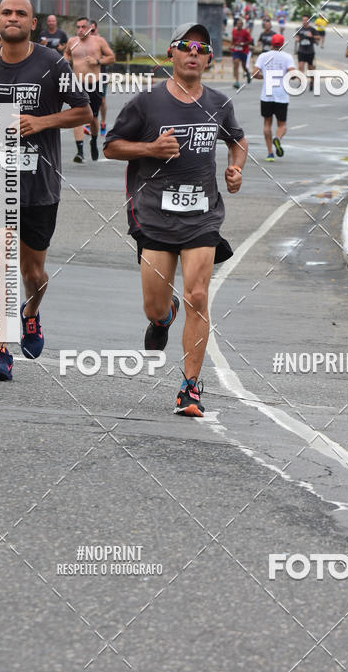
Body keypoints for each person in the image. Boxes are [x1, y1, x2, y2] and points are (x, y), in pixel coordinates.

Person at [103, 22, 247, 417]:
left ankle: (190, 388)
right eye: (185, 46)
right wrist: (151, 148)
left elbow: (237, 140)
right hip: (154, 215)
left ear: (209, 59)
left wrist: (236, 168)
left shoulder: (219, 103)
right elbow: (111, 147)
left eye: (201, 48)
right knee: (154, 306)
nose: (193, 53)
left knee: (198, 295)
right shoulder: (146, 103)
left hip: (202, 216)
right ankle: (164, 318)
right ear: (171, 54)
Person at [0, 0, 92, 380]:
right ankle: (1, 349)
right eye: (6, 12)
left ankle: (30, 312)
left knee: (34, 273)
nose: (12, 17)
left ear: (33, 23)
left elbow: (84, 111)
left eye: (21, 13)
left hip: (39, 183)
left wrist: (41, 122)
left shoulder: (52, 63)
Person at [64, 16, 116, 162]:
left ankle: (93, 141)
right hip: (77, 84)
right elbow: (67, 53)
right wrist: (66, 61)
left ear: (89, 28)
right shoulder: (72, 41)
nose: (80, 30)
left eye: (83, 27)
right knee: (77, 117)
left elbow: (112, 58)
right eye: (78, 27)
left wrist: (97, 61)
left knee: (92, 118)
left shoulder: (99, 41)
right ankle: (80, 151)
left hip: (94, 84)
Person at [252, 32, 296, 160]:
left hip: (267, 95)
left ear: (271, 44)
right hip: (281, 95)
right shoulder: (287, 57)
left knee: (267, 124)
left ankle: (270, 153)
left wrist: (264, 77)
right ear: (283, 44)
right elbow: (293, 74)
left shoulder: (263, 56)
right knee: (282, 125)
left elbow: (254, 73)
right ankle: (277, 138)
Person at [294, 15, 318, 92]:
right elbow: (297, 37)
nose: (304, 21)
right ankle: (301, 84)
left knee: (310, 68)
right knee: (301, 67)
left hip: (310, 51)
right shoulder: (299, 29)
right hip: (301, 51)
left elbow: (318, 37)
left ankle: (312, 81)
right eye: (303, 20)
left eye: (306, 20)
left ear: (308, 21)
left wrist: (312, 36)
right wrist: (297, 39)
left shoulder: (312, 29)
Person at [231, 17, 252, 89]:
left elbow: (250, 41)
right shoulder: (234, 31)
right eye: (238, 23)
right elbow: (233, 39)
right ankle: (237, 81)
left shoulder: (245, 32)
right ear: (236, 24)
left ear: (242, 25)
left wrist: (243, 44)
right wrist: (232, 45)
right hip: (236, 51)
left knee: (244, 66)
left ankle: (248, 73)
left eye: (240, 24)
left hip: (244, 51)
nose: (239, 25)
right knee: (236, 63)